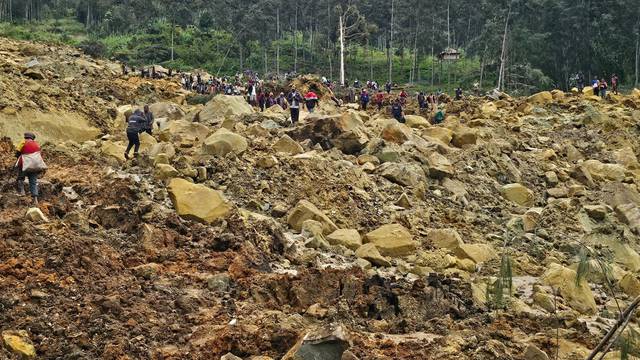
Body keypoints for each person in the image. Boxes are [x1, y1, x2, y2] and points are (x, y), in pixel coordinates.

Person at [15, 132, 45, 205]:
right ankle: (35, 200)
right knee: (33, 182)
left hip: (24, 165)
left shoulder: (23, 142)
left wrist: (18, 156)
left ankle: (22, 192)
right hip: (35, 166)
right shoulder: (36, 144)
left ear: (26, 137)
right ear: (32, 138)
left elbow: (17, 152)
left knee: (20, 178)